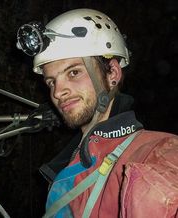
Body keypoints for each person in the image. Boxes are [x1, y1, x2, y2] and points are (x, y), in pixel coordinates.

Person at [17, 8, 178, 218]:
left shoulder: (156, 151)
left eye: (73, 72)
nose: (57, 92)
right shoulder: (66, 170)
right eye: (51, 81)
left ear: (112, 73)